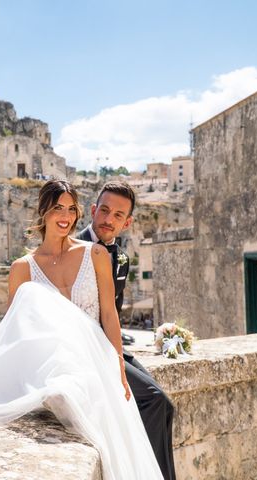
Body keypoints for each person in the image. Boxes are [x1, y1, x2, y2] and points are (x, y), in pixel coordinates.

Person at [0, 180, 163, 480]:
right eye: (57, 208)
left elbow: (109, 313)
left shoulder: (96, 255)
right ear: (43, 212)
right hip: (52, 359)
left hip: (96, 357)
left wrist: (118, 366)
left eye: (70, 209)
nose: (64, 216)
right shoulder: (22, 268)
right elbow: (17, 331)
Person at [78, 181, 176, 480]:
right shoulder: (74, 249)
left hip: (110, 346)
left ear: (128, 222)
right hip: (85, 350)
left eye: (118, 215)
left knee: (166, 406)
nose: (109, 219)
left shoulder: (121, 257)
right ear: (93, 210)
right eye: (104, 211)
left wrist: (119, 354)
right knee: (153, 400)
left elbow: (113, 311)